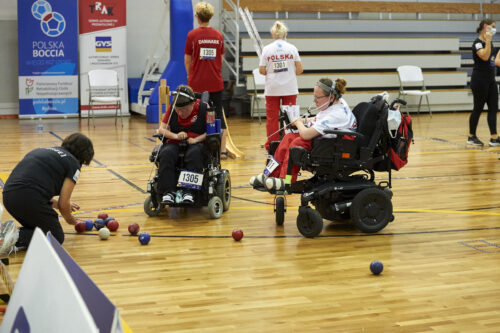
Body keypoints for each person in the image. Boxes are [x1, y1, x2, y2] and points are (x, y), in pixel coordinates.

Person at [250, 78, 357, 191]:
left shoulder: (336, 114)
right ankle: (269, 175)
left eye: (318, 97)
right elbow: (318, 119)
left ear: (331, 97)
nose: (314, 100)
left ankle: (286, 181)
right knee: (288, 137)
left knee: (298, 143)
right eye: (314, 96)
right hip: (328, 141)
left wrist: (298, 122)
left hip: (337, 146)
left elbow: (306, 135)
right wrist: (304, 120)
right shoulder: (337, 103)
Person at [2, 133, 94, 253]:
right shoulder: (73, 163)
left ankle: (9, 232)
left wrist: (53, 203)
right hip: (27, 198)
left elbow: (31, 184)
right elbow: (63, 204)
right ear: (83, 156)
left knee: (40, 227)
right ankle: (8, 235)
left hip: (9, 196)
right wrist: (71, 220)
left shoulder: (43, 150)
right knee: (55, 236)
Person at [185, 1, 229, 159]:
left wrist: (192, 76)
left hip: (197, 84)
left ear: (197, 17)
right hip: (215, 83)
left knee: (197, 116)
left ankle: (199, 146)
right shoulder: (218, 35)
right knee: (218, 115)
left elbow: (187, 60)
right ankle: (222, 150)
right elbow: (221, 59)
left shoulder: (192, 35)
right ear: (210, 17)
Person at [156, 85, 208, 204]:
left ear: (193, 104)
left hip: (197, 143)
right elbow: (161, 129)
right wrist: (176, 136)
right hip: (175, 142)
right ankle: (169, 191)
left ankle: (189, 191)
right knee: (166, 153)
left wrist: (196, 139)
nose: (180, 112)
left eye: (184, 109)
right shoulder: (172, 108)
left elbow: (212, 131)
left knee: (194, 154)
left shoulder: (204, 108)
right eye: (178, 109)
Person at [259, 21, 303, 151]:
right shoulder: (292, 48)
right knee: (290, 117)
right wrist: (288, 73)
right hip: (289, 87)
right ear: (285, 33)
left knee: (272, 118)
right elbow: (300, 69)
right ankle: (288, 142)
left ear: (273, 34)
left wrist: (273, 72)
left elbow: (261, 70)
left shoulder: (267, 49)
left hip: (272, 88)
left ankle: (271, 145)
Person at [469, 19, 500, 147]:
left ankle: (494, 137)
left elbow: (491, 61)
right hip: (479, 81)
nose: (494, 29)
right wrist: (487, 40)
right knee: (478, 108)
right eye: (492, 27)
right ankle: (471, 136)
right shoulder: (477, 43)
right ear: (485, 27)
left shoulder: (489, 43)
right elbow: (485, 57)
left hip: (490, 80)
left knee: (493, 108)